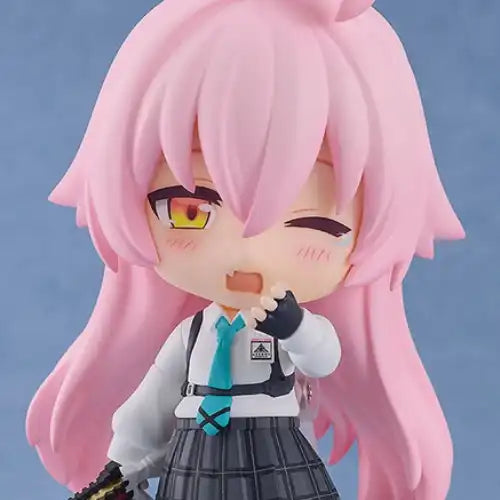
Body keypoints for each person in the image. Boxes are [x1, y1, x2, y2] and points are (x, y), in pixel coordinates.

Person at [26, 1, 465, 499]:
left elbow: (323, 356)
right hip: (196, 455)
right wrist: (122, 469)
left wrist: (293, 325)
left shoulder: (286, 326)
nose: (247, 251)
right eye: (189, 210)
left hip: (274, 451)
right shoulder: (192, 337)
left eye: (316, 223)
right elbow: (150, 405)